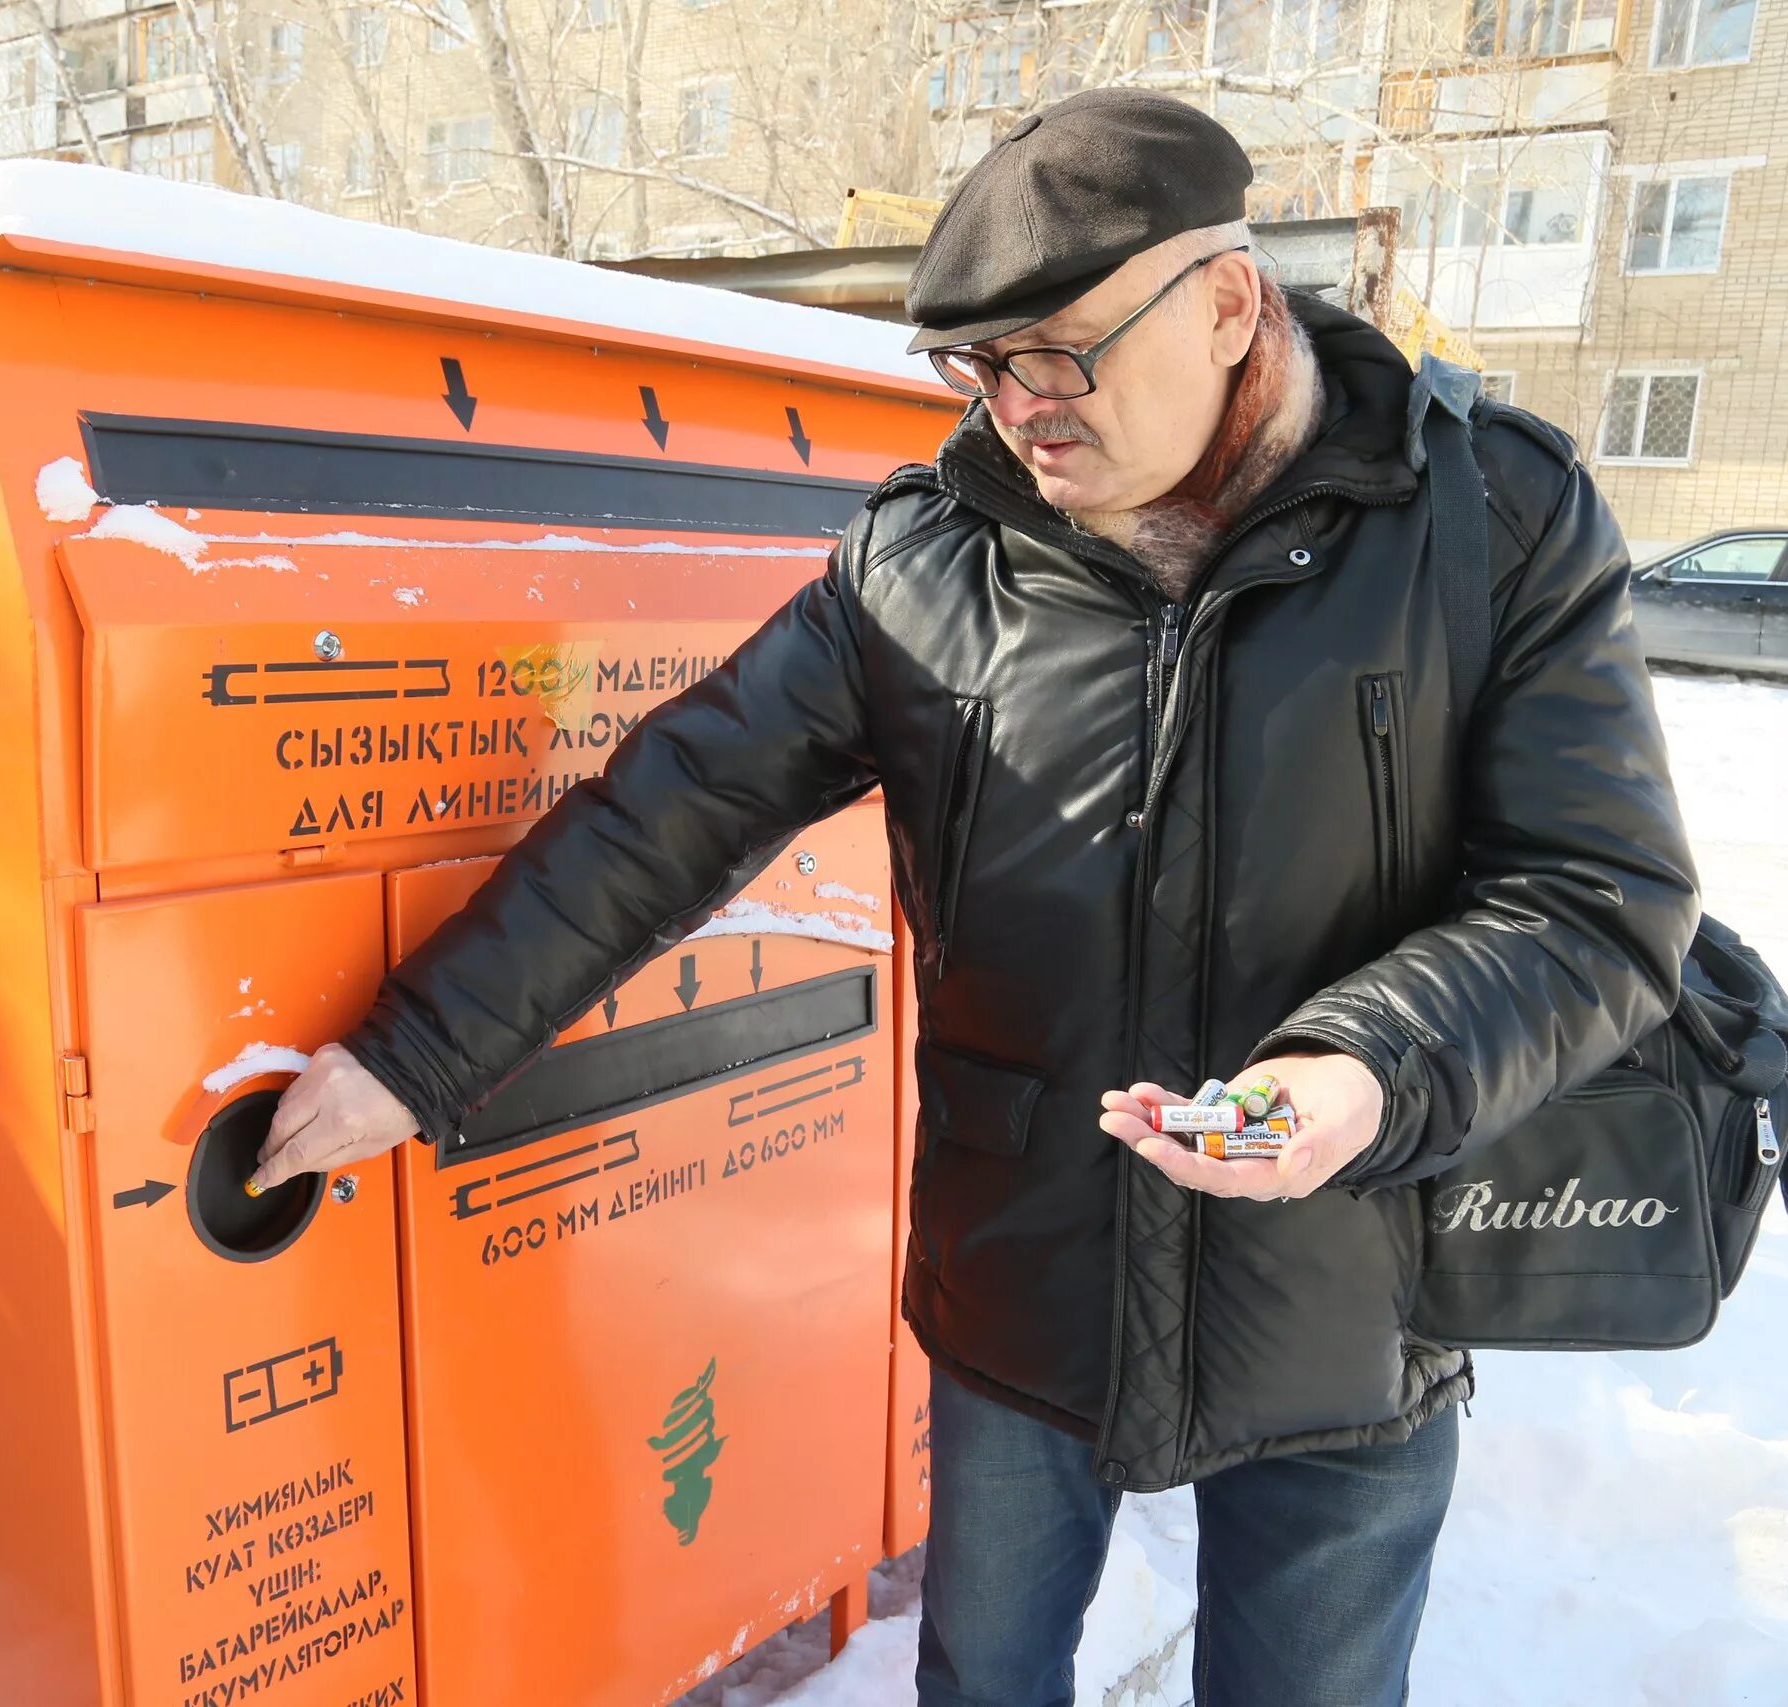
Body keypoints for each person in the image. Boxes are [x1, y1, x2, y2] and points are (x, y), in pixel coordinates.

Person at [249, 88, 1698, 1707]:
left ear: (1229, 302)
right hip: (1027, 1277)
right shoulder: (924, 563)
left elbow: (1598, 898)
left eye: (1061, 351)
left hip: (1352, 1284)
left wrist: (1367, 1070)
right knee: (985, 1678)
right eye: (978, 365)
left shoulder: (1488, 520)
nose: (1020, 408)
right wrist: (419, 1055)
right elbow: (676, 806)